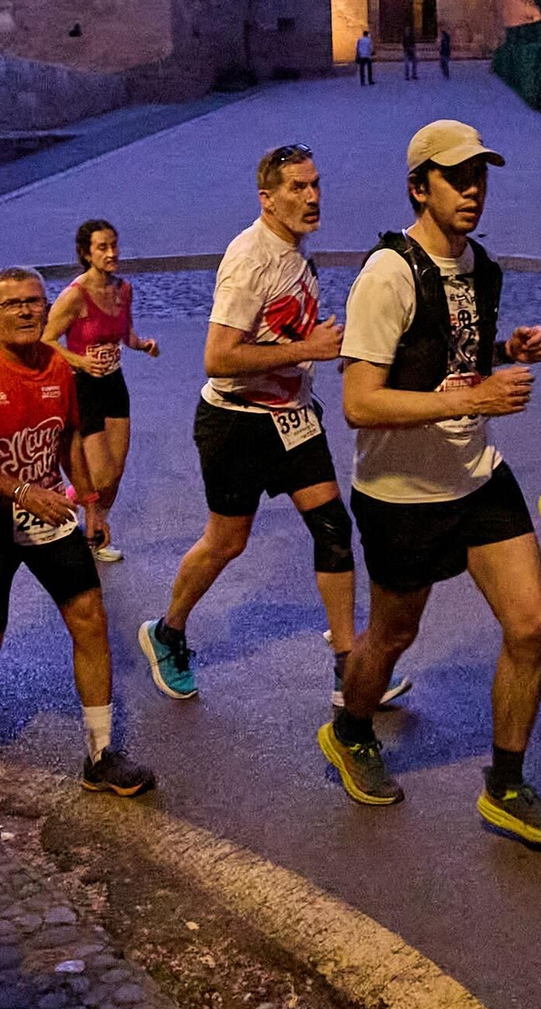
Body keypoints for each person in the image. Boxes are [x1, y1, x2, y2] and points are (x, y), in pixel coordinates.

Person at [319, 119, 541, 848]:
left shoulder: (478, 266)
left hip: (476, 475)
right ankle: (349, 729)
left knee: (532, 623)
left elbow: (451, 356)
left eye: (479, 177)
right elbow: (359, 402)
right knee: (393, 634)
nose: (472, 191)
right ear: (418, 188)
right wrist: (478, 395)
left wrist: (504, 348)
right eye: (456, 178)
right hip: (401, 494)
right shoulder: (387, 275)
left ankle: (506, 786)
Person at [139, 144, 408, 710]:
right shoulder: (249, 259)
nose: (312, 198)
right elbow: (218, 358)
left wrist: (329, 350)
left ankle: (348, 665)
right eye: (296, 188)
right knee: (226, 542)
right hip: (235, 425)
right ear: (267, 198)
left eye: (315, 185)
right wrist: (308, 348)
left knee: (332, 528)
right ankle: (167, 631)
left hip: (292, 418)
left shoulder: (296, 249)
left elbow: (288, 334)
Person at [0, 266, 154, 798]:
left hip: (48, 513)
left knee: (90, 618)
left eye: (35, 301)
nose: (27, 311)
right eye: (13, 304)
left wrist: (91, 505)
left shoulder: (57, 365)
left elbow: (68, 438)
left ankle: (100, 755)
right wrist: (23, 492)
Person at [43, 220, 159, 563]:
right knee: (102, 474)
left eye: (114, 245)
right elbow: (46, 340)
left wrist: (143, 345)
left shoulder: (123, 289)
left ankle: (97, 533)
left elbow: (126, 334)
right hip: (84, 387)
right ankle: (67, 502)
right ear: (86, 254)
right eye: (102, 248)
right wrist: (80, 360)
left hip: (113, 383)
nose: (112, 253)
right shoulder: (75, 295)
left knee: (115, 473)